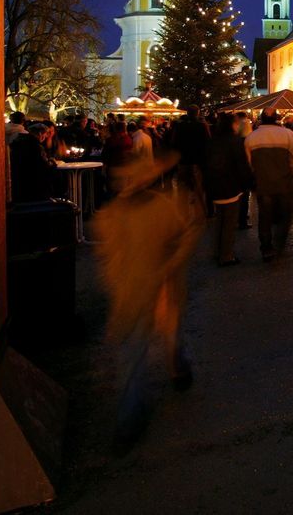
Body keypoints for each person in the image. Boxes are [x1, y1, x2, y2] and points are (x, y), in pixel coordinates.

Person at [96, 152, 206, 450]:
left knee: (136, 352)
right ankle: (173, 372)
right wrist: (170, 267)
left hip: (135, 293)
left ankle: (129, 419)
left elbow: (108, 261)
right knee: (164, 336)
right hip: (154, 288)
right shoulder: (163, 207)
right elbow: (190, 233)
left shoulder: (110, 216)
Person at [244, 108, 293, 261]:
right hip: (285, 184)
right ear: (277, 118)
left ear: (261, 118)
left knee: (264, 216)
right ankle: (280, 242)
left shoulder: (251, 138)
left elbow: (248, 164)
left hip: (263, 184)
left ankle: (266, 247)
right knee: (286, 214)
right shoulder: (288, 135)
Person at [205, 113, 253, 265]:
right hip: (231, 186)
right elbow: (242, 165)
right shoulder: (235, 142)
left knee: (220, 220)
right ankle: (226, 255)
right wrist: (249, 182)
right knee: (229, 222)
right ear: (231, 125)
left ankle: (217, 251)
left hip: (215, 186)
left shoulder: (213, 140)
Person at [9, 122, 56, 202]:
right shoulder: (36, 147)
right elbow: (44, 166)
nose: (45, 137)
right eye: (45, 134)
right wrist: (52, 162)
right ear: (40, 133)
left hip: (19, 183)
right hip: (35, 185)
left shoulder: (17, 143)